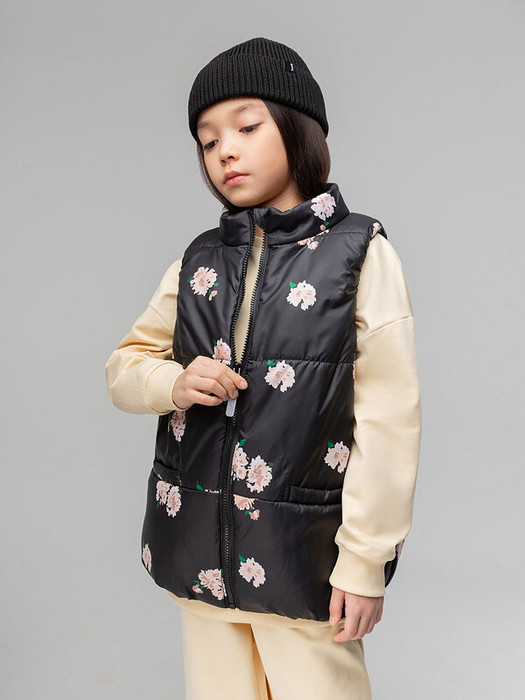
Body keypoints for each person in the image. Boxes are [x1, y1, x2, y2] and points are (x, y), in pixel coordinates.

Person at [105, 36, 422, 700]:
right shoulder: (198, 261)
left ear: (298, 127)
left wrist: (364, 561)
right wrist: (173, 383)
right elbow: (126, 367)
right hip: (197, 552)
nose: (224, 150)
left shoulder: (359, 253)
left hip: (302, 555)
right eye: (207, 140)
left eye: (246, 126)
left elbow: (390, 420)